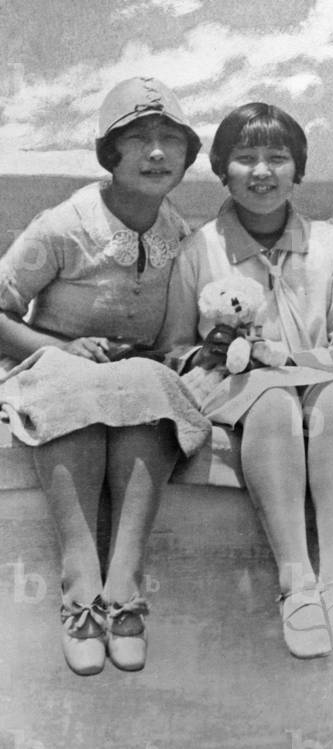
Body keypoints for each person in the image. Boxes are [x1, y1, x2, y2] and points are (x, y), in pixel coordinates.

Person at [158, 103, 333, 659]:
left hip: (321, 389)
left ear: (298, 169)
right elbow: (172, 352)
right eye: (245, 158)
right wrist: (210, 354)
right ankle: (296, 585)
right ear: (222, 169)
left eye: (277, 158)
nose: (262, 172)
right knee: (273, 400)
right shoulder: (199, 250)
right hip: (239, 396)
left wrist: (287, 357)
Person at [0, 77, 210, 675]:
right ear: (109, 154)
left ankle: (124, 587)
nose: (156, 154)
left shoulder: (180, 234)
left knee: (149, 387)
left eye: (171, 140)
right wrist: (61, 346)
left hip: (132, 378)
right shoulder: (63, 225)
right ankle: (79, 586)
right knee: (77, 387)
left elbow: (175, 338)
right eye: (139, 139)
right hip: (50, 369)